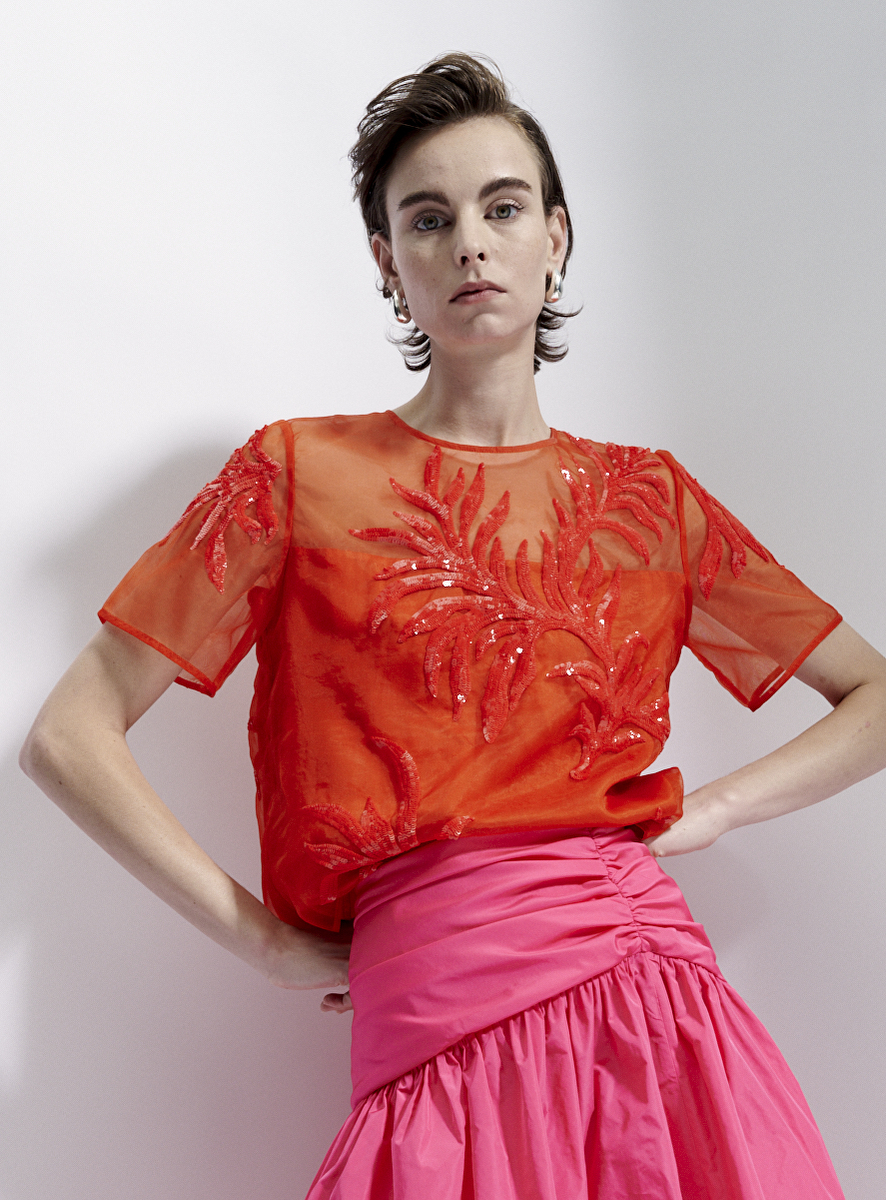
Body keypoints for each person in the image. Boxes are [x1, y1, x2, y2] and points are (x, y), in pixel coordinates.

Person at [20, 53, 886, 1200]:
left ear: (555, 239)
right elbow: (68, 736)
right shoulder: (296, 475)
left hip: (648, 998)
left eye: (503, 208)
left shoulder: (648, 499)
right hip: (427, 1001)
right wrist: (260, 942)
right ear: (390, 263)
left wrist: (713, 809)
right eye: (429, 219)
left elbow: (874, 696)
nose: (470, 243)